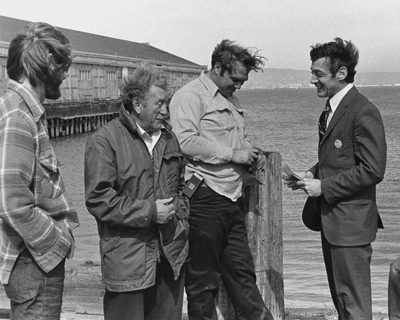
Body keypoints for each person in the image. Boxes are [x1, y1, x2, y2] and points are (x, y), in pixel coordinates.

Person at [169, 39, 273, 320]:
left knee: (242, 273)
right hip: (204, 196)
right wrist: (233, 154)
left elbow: (235, 140)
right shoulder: (190, 96)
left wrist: (250, 151)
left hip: (231, 196)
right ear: (217, 67)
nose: (239, 85)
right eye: (235, 79)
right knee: (203, 281)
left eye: (243, 80)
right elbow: (185, 141)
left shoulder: (229, 98)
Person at [285, 38, 387, 320]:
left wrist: (323, 186)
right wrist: (312, 173)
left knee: (354, 306)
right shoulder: (333, 109)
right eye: (312, 73)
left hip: (351, 227)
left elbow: (373, 169)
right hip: (334, 222)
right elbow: (339, 160)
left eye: (318, 74)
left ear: (341, 73)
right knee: (344, 305)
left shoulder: (362, 110)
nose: (311, 80)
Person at [84, 66, 189, 320]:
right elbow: (99, 200)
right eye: (159, 103)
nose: (166, 111)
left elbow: (182, 187)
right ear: (137, 104)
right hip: (127, 264)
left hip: (170, 260)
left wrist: (182, 213)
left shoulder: (169, 138)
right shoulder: (105, 141)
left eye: (168, 103)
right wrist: (151, 212)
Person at [0, 22, 79, 319]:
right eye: (62, 64)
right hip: (34, 263)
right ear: (44, 64)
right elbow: (12, 203)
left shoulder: (16, 109)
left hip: (31, 262)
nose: (66, 73)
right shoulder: (20, 116)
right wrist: (58, 240)